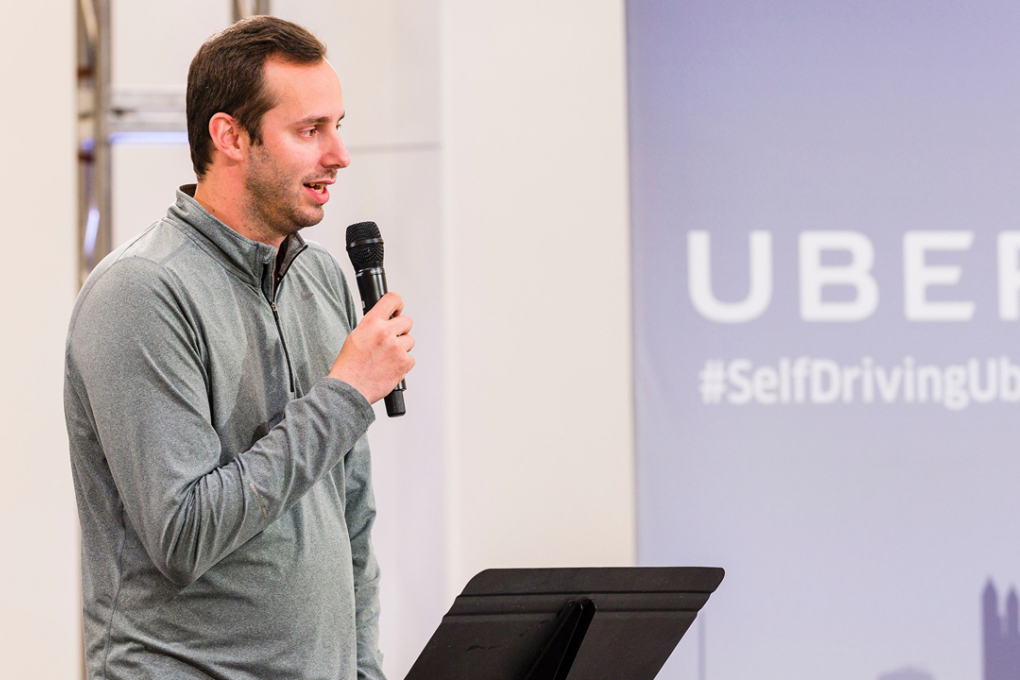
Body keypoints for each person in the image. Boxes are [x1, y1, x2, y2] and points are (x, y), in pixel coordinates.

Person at [64, 16, 412, 680]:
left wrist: (364, 668)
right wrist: (342, 395)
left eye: (337, 126)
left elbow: (351, 515)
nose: (338, 154)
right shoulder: (141, 291)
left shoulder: (320, 277)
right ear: (230, 136)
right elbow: (184, 533)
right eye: (310, 131)